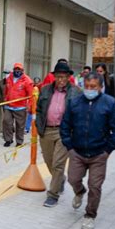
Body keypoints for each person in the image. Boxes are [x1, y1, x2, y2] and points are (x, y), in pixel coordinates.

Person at [60, 72, 115, 229]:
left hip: (99, 154)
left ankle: (90, 215)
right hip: (77, 151)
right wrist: (69, 146)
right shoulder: (74, 103)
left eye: (93, 87)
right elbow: (65, 125)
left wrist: (108, 149)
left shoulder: (110, 104)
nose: (89, 90)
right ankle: (80, 192)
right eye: (87, 86)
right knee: (73, 179)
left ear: (101, 87)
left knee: (95, 186)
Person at [35, 63, 81, 208]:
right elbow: (38, 108)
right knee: (49, 161)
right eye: (58, 77)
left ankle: (53, 195)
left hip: (64, 131)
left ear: (68, 78)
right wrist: (38, 123)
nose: (61, 80)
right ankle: (59, 180)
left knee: (58, 164)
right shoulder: (45, 89)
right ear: (54, 77)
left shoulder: (75, 92)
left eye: (64, 77)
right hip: (46, 130)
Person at [3, 63, 33, 147]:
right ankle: (8, 140)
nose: (17, 70)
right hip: (9, 105)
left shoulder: (27, 80)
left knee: (20, 125)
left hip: (20, 107)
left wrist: (29, 104)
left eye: (19, 69)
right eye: (16, 69)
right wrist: (5, 98)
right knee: (6, 122)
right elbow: (6, 89)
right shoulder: (9, 78)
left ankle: (19, 141)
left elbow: (31, 95)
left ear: (22, 70)